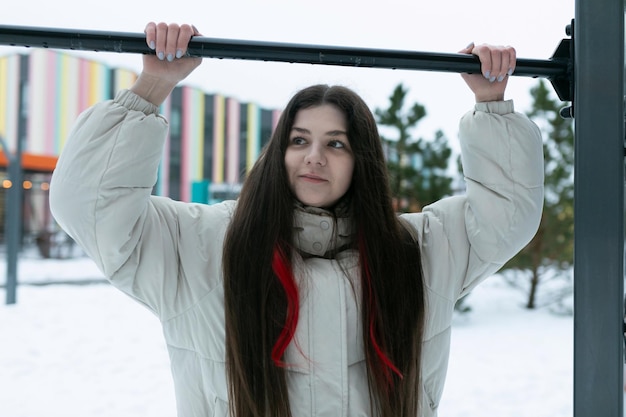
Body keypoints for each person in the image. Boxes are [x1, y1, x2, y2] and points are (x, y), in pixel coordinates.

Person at [49, 22, 544, 417]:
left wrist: (491, 105)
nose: (315, 157)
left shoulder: (420, 249)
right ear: (278, 151)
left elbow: (507, 213)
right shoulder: (200, 243)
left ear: (362, 160)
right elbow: (90, 206)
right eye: (300, 140)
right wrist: (151, 87)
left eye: (336, 143)